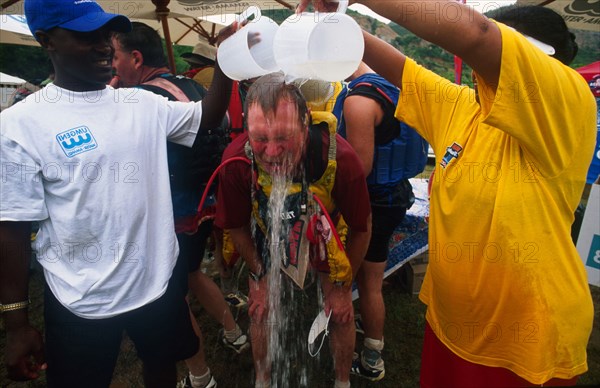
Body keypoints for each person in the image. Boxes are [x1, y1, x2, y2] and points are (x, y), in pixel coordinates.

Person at [299, 1, 597, 387]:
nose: (480, 69)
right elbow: (404, 70)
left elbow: (477, 35)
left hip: (524, 337)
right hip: (454, 321)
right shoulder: (463, 107)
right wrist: (331, 19)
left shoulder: (566, 103)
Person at [0, 0, 234, 386]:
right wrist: (17, 323)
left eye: (106, 34)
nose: (104, 45)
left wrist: (227, 61)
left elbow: (206, 116)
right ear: (47, 41)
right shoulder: (19, 125)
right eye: (85, 35)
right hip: (80, 301)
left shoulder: (141, 103)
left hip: (156, 284)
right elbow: (11, 229)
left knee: (161, 366)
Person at [110, 22, 249, 388]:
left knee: (172, 296)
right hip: (206, 202)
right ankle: (233, 331)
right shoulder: (195, 86)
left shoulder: (139, 100)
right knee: (192, 274)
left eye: (115, 57)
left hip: (172, 213)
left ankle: (200, 375)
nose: (112, 66)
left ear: (136, 59)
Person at [214, 72, 372, 388]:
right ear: (246, 129)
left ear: (306, 123)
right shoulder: (236, 160)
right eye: (259, 139)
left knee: (340, 312)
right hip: (267, 228)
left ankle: (343, 382)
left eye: (284, 139)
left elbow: (361, 227)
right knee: (260, 310)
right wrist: (259, 277)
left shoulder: (340, 158)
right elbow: (236, 227)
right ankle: (263, 380)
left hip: (323, 226)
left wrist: (342, 286)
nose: (271, 153)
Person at [332, 62, 427, 381]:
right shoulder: (399, 85)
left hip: (372, 200)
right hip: (399, 192)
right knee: (372, 270)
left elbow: (359, 172)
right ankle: (369, 327)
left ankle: (372, 356)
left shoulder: (358, 101)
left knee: (367, 279)